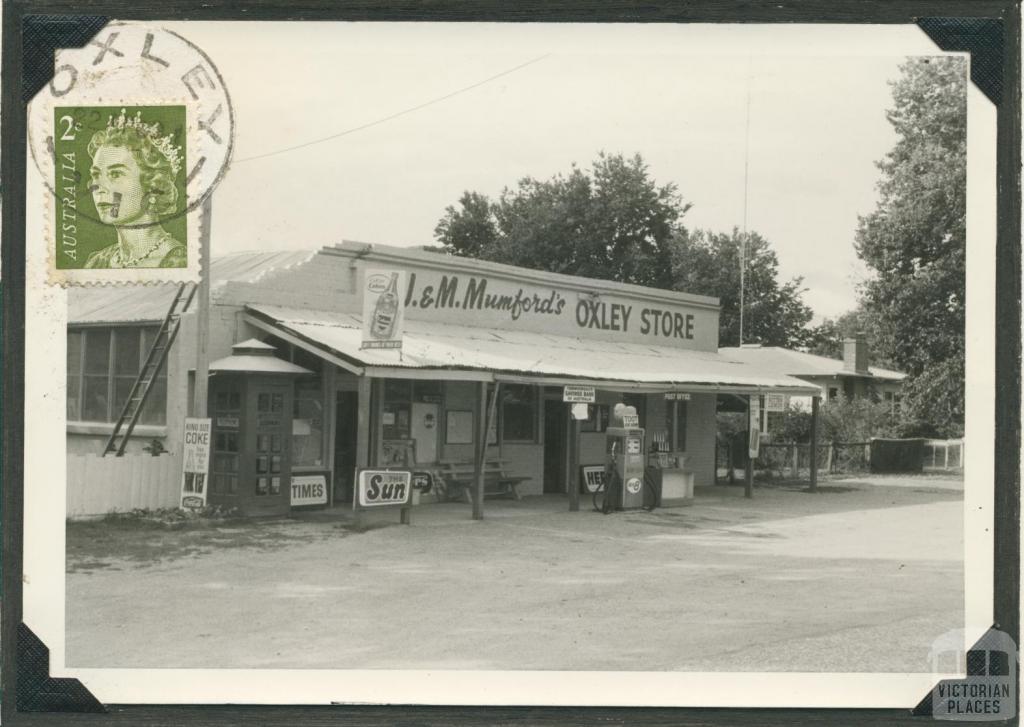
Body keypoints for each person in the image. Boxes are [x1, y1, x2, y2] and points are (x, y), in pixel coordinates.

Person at [84, 108, 186, 269]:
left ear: (153, 185)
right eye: (96, 175)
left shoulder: (178, 262)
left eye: (115, 174)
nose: (99, 188)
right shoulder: (96, 262)